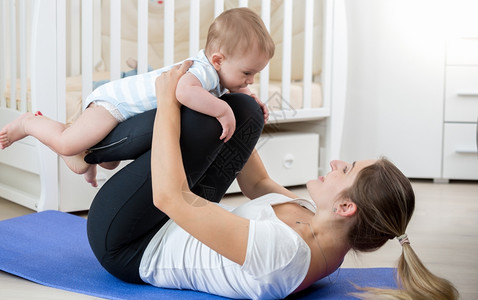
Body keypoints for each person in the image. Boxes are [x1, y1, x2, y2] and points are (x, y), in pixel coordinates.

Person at [86, 62, 459, 300]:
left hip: (131, 243)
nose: (335, 162)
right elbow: (258, 182)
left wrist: (168, 98)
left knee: (194, 116)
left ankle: (81, 145)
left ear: (346, 207)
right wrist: (241, 111)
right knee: (240, 110)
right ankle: (91, 134)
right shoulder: (320, 222)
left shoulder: (282, 255)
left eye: (345, 170)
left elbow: (171, 198)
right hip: (172, 216)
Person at [0, 7, 273, 187]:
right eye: (248, 73)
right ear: (218, 59)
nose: (250, 81)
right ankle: (28, 123)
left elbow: (238, 88)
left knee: (108, 160)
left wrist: (252, 97)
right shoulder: (200, 71)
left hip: (128, 116)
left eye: (255, 75)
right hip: (114, 104)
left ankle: (83, 157)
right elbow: (183, 92)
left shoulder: (218, 72)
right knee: (67, 143)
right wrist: (223, 111)